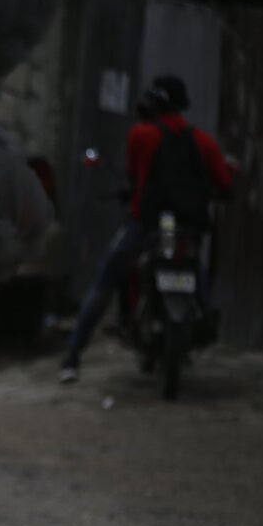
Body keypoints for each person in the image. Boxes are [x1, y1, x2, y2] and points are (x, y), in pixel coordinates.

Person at [58, 74, 233, 383]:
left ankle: (72, 356)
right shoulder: (203, 141)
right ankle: (205, 315)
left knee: (104, 282)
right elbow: (225, 184)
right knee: (196, 274)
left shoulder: (142, 135)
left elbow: (135, 176)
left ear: (154, 102)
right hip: (185, 231)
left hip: (147, 226)